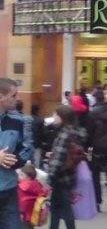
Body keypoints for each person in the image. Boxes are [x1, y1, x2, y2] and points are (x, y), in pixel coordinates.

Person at [0, 78, 33, 229]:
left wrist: (15, 160)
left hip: (9, 188)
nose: (18, 99)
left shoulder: (18, 120)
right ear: (1, 96)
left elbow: (26, 148)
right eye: (14, 95)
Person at [48, 105, 87, 229]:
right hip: (69, 175)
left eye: (55, 115)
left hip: (60, 177)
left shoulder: (64, 134)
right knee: (58, 208)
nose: (53, 117)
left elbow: (59, 158)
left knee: (63, 209)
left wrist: (50, 176)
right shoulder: (75, 131)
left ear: (62, 117)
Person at [18, 164, 48, 229]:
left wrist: (20, 212)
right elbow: (43, 193)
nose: (19, 177)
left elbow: (22, 203)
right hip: (34, 215)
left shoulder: (22, 188)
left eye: (22, 175)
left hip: (24, 215)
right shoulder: (37, 184)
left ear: (28, 177)